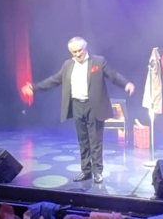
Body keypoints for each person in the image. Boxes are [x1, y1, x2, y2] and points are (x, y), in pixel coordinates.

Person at [22, 37, 134, 183]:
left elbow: (112, 75)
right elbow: (53, 80)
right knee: (83, 140)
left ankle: (97, 171)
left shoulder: (98, 61)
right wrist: (34, 87)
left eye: (79, 50)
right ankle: (86, 171)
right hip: (77, 106)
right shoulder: (67, 65)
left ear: (85, 48)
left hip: (94, 105)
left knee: (95, 141)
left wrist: (126, 84)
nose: (77, 54)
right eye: (74, 52)